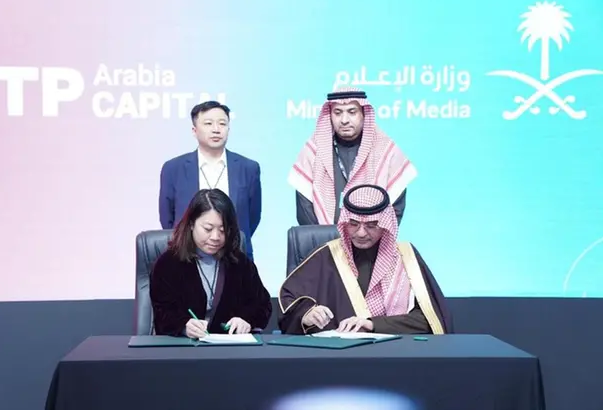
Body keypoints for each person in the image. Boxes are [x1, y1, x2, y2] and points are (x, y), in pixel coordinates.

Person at [278, 184, 451, 335]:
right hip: (338, 355)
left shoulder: (406, 257)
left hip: (396, 353)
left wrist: (372, 324)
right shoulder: (327, 256)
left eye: (371, 225)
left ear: (385, 225)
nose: (361, 233)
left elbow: (429, 319)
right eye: (353, 224)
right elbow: (288, 303)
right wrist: (306, 314)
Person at [150, 188, 272, 338]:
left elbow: (262, 305)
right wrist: (183, 326)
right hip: (183, 347)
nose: (215, 237)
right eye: (208, 229)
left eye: (223, 230)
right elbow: (162, 313)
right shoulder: (168, 264)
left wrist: (246, 320)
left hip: (230, 347)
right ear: (191, 224)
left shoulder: (239, 263)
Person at [288, 88, 416, 226]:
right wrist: (323, 237)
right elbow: (304, 210)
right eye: (338, 113)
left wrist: (369, 236)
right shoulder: (313, 151)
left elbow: (395, 209)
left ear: (364, 114)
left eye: (352, 112)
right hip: (322, 238)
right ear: (330, 115)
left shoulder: (386, 151)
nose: (344, 120)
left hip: (371, 238)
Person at [159, 101, 262, 260]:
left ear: (228, 129)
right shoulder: (173, 168)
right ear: (194, 131)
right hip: (186, 257)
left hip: (236, 257)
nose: (216, 129)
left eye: (222, 123)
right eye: (208, 123)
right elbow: (167, 218)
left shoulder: (248, 168)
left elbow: (253, 216)